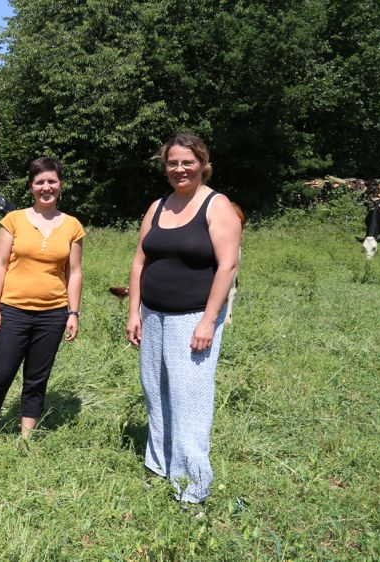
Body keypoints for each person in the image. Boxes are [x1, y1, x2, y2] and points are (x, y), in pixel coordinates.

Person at [125, 132, 242, 507]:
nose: (180, 169)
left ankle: (193, 487)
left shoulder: (216, 206)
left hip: (192, 318)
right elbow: (140, 261)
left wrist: (208, 321)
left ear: (203, 165)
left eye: (187, 162)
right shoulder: (158, 206)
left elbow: (228, 266)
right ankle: (159, 467)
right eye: (173, 163)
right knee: (156, 393)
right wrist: (134, 311)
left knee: (189, 401)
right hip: (153, 315)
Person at [0, 157, 84, 444]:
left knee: (37, 377)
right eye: (40, 182)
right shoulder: (13, 220)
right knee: (0, 372)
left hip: (53, 314)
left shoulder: (72, 226)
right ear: (31, 186)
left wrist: (73, 313)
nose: (46, 187)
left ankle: (26, 437)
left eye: (52, 181)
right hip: (13, 311)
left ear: (61, 184)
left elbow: (74, 273)